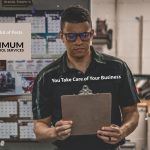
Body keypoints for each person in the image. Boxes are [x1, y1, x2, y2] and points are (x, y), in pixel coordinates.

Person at [32, 5, 140, 150]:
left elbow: (131, 112)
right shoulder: (47, 76)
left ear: (92, 34)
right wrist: (54, 132)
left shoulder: (117, 68)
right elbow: (40, 127)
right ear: (62, 36)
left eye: (84, 35)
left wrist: (122, 131)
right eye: (71, 36)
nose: (78, 42)